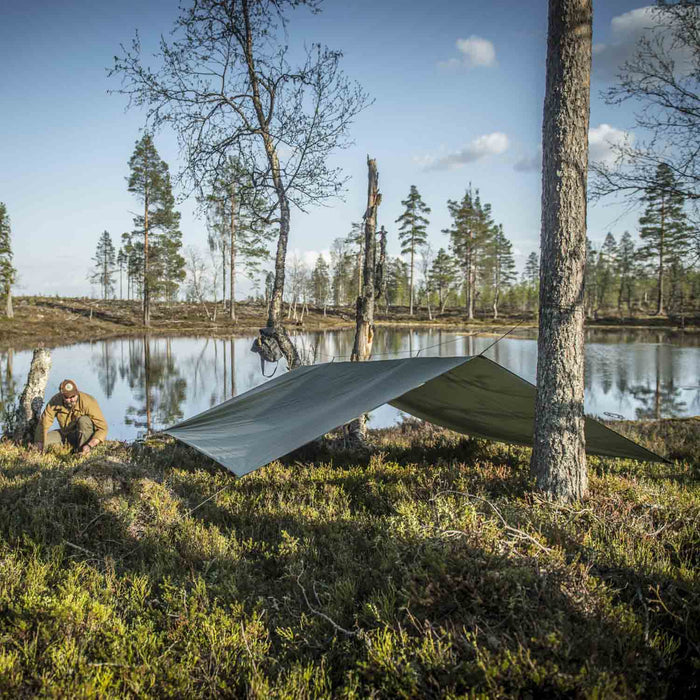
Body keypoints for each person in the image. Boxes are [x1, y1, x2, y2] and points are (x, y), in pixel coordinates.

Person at [35, 379, 108, 455]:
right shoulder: (55, 401)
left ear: (77, 392)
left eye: (73, 396)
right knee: (44, 442)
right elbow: (43, 423)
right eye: (67, 397)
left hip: (85, 437)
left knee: (84, 420)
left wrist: (90, 445)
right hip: (66, 434)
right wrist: (39, 442)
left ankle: (83, 453)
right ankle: (68, 450)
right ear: (61, 395)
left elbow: (103, 428)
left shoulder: (88, 401)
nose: (71, 399)